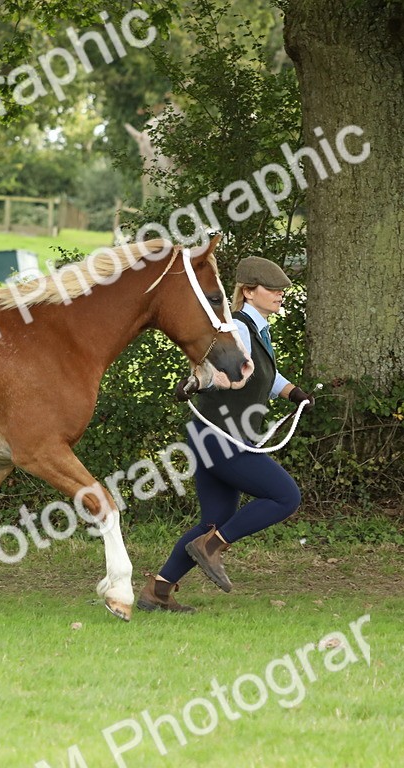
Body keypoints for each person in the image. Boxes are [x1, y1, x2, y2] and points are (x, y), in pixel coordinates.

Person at [138, 256, 314, 613]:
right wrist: (193, 382)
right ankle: (212, 547)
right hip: (219, 436)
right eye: (272, 289)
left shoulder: (258, 329)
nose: (281, 294)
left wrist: (294, 393)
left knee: (213, 520)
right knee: (285, 496)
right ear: (248, 292)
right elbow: (210, 368)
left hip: (218, 437)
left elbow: (261, 375)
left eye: (282, 289)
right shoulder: (239, 327)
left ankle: (157, 591)